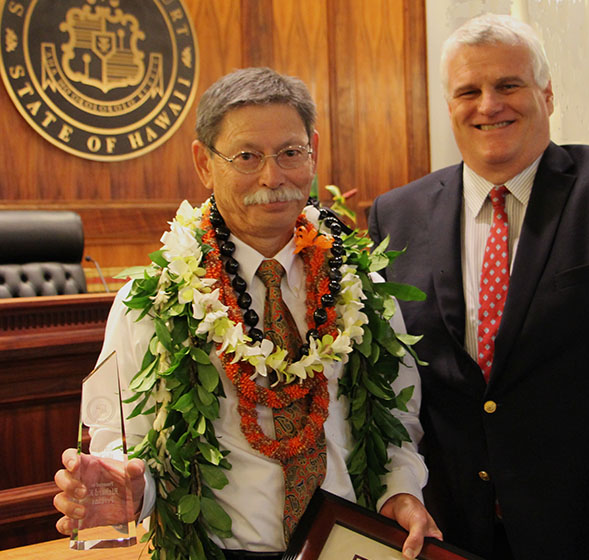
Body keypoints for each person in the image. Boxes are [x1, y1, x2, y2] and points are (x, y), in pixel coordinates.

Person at [53, 67, 440, 560]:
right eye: (247, 156)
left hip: (349, 547)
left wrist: (401, 493)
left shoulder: (363, 288)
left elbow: (396, 421)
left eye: (290, 153)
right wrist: (130, 491)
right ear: (203, 163)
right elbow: (124, 446)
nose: (272, 177)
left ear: (313, 151)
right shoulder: (151, 301)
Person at [368, 13, 589, 560]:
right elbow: (390, 388)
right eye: (468, 91)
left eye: (508, 85)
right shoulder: (395, 215)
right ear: (449, 106)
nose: (488, 105)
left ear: (547, 93)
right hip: (448, 531)